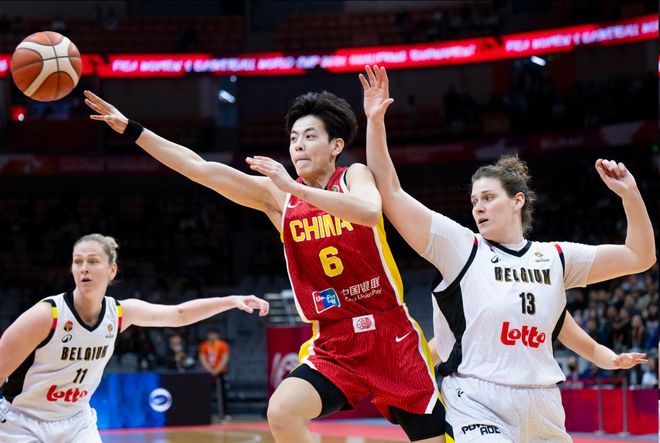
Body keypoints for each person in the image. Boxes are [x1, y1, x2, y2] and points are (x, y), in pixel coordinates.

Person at [84, 89, 446, 443]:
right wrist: (132, 129)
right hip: (334, 341)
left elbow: (368, 212)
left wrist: (296, 188)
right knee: (282, 411)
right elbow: (199, 168)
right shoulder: (279, 197)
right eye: (293, 138)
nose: (298, 145)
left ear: (336, 145)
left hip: (389, 333)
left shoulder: (353, 177)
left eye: (310, 136)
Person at [361, 65, 655, 442]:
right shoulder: (460, 247)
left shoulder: (555, 258)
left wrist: (631, 195)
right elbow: (391, 192)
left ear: (517, 201)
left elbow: (639, 256)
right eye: (474, 201)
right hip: (475, 397)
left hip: (542, 403)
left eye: (488, 198)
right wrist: (375, 122)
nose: (478, 207)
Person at [0, 234, 269, 443]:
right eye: (78, 261)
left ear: (112, 270)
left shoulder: (119, 313)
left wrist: (230, 300)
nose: (84, 268)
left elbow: (179, 314)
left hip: (76, 421)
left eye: (93, 261)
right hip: (23, 421)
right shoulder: (47, 315)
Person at [198, 329, 230, 419]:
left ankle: (223, 414)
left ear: (218, 335)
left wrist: (216, 370)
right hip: (207, 373)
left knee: (222, 394)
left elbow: (224, 358)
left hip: (220, 373)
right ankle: (205, 414)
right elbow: (202, 359)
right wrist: (210, 370)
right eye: (211, 334)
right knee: (205, 394)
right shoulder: (204, 345)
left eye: (214, 334)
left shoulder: (223, 345)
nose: (212, 336)